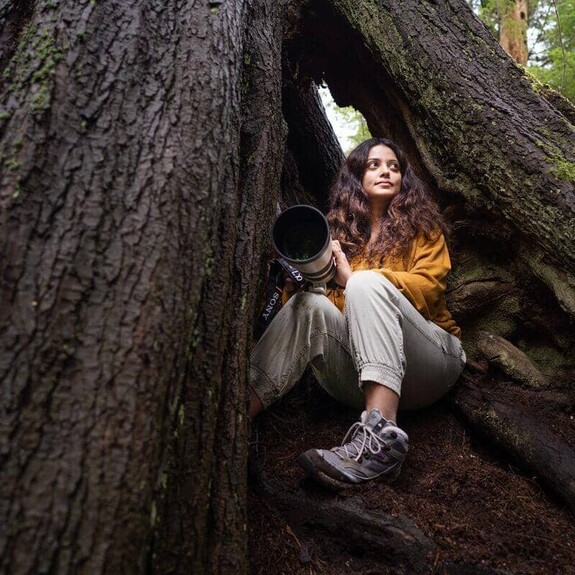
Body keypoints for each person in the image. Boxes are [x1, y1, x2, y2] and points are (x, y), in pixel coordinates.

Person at [249, 137, 466, 490]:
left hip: (431, 362)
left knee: (363, 284)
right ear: (356, 177)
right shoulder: (340, 241)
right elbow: (331, 318)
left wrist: (355, 280)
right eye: (375, 165)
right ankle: (237, 413)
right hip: (363, 374)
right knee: (308, 305)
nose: (386, 171)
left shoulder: (423, 229)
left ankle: (380, 441)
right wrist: (301, 283)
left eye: (394, 167)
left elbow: (428, 290)